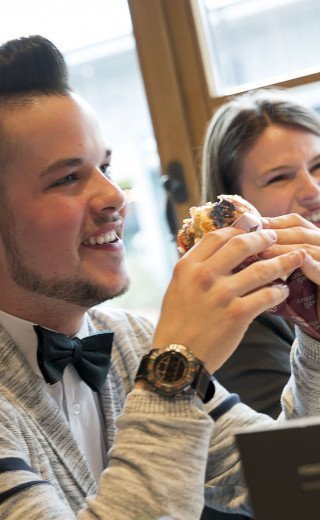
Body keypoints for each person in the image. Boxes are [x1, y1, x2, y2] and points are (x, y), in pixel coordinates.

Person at [0, 35, 319, 520]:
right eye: (68, 178)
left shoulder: (130, 341)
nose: (115, 197)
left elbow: (293, 481)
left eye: (106, 167)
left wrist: (316, 336)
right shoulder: (158, 355)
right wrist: (173, 373)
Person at [200, 88, 320, 520]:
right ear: (233, 209)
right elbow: (298, 479)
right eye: (279, 177)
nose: (312, 190)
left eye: (318, 165)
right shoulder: (237, 320)